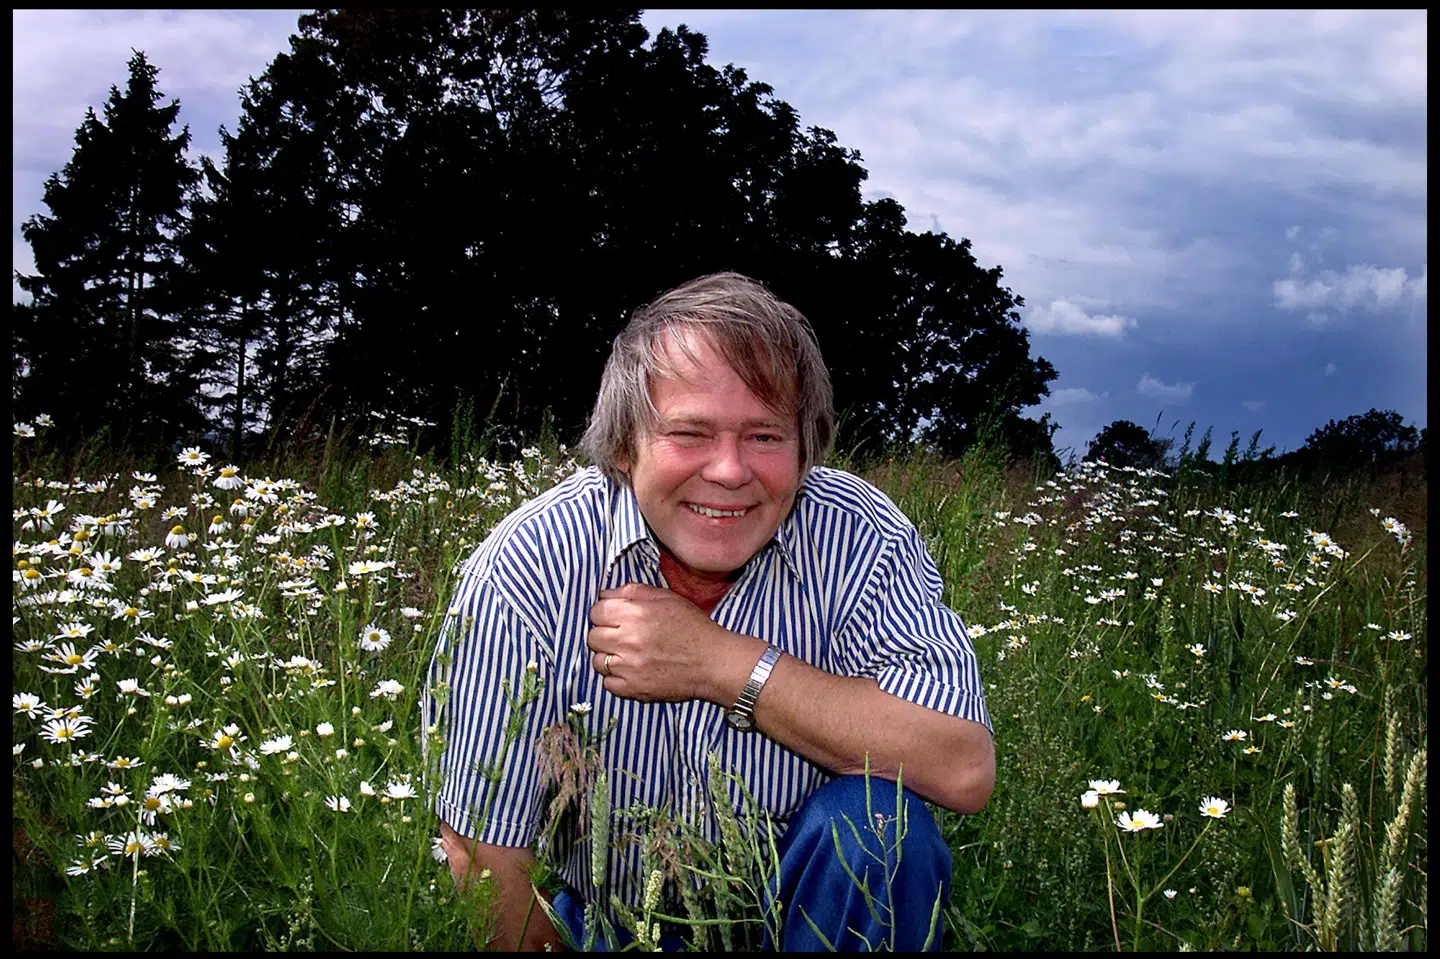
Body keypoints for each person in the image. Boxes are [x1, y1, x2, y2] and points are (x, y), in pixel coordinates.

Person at [423, 272, 994, 951]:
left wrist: (718, 662)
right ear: (626, 445)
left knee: (879, 825)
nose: (728, 470)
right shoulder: (531, 563)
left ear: (804, 448)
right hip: (617, 927)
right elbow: (481, 853)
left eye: (764, 436)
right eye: (690, 433)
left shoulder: (862, 538)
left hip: (807, 917)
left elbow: (962, 765)